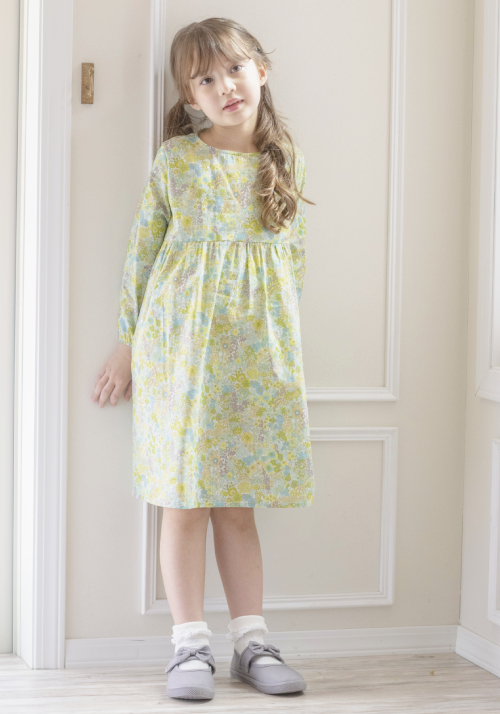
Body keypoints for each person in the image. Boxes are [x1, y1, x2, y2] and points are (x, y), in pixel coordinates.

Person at [91, 16, 315, 701]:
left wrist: (282, 353)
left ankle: (252, 641)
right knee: (183, 502)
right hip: (179, 355)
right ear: (190, 96)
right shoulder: (177, 161)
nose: (226, 87)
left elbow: (291, 269)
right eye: (206, 79)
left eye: (236, 70)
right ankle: (189, 646)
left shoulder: (283, 162)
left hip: (255, 359)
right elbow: (143, 255)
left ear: (262, 71)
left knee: (236, 506)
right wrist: (127, 345)